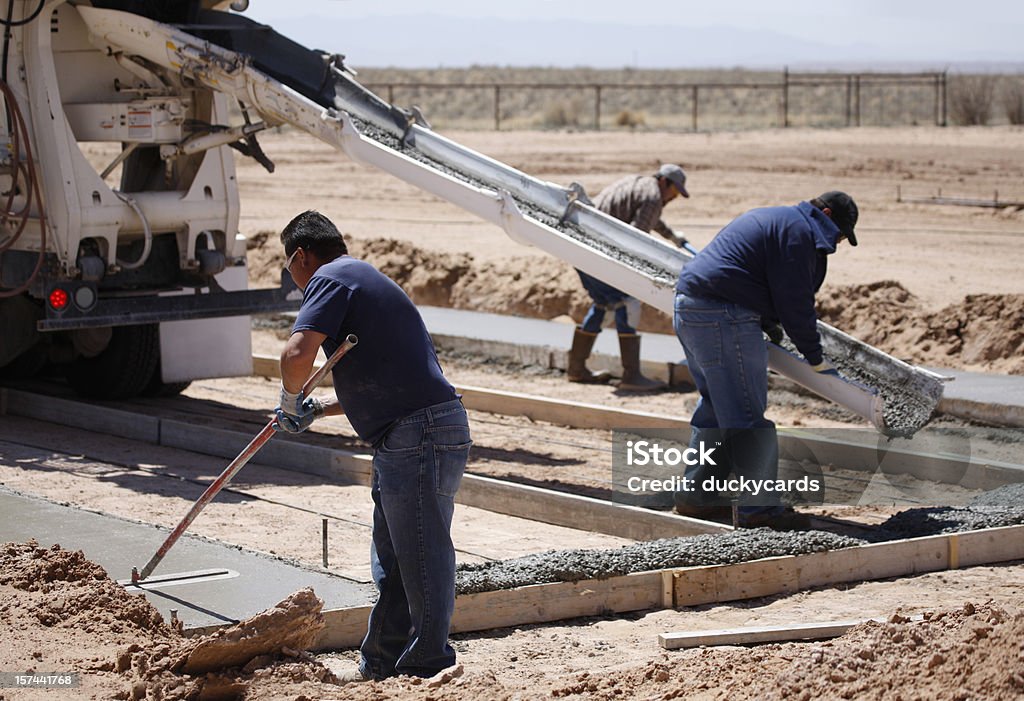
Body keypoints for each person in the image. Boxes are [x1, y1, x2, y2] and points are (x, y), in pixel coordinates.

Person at [273, 210, 471, 681]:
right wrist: (316, 407)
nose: (294, 278)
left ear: (301, 256)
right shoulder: (362, 280)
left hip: (418, 432)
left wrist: (288, 399)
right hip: (411, 430)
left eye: (289, 267)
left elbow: (297, 353)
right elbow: (384, 380)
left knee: (420, 553)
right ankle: (382, 663)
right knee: (395, 558)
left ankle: (428, 663)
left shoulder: (329, 277)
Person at [671, 191, 858, 529]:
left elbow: (752, 274)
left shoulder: (779, 219)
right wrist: (815, 358)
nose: (838, 243)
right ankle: (758, 511)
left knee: (716, 408)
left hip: (691, 307)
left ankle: (696, 497)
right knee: (747, 418)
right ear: (826, 214)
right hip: (723, 316)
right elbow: (795, 301)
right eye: (840, 235)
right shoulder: (799, 233)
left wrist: (767, 321)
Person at [569, 163, 693, 391]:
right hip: (600, 252)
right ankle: (632, 375)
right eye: (674, 192)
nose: (672, 198)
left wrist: (672, 237)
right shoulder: (654, 196)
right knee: (628, 302)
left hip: (581, 247)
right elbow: (636, 239)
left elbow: (649, 219)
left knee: (604, 304)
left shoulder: (638, 184)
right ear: (664, 181)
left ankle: (576, 369)